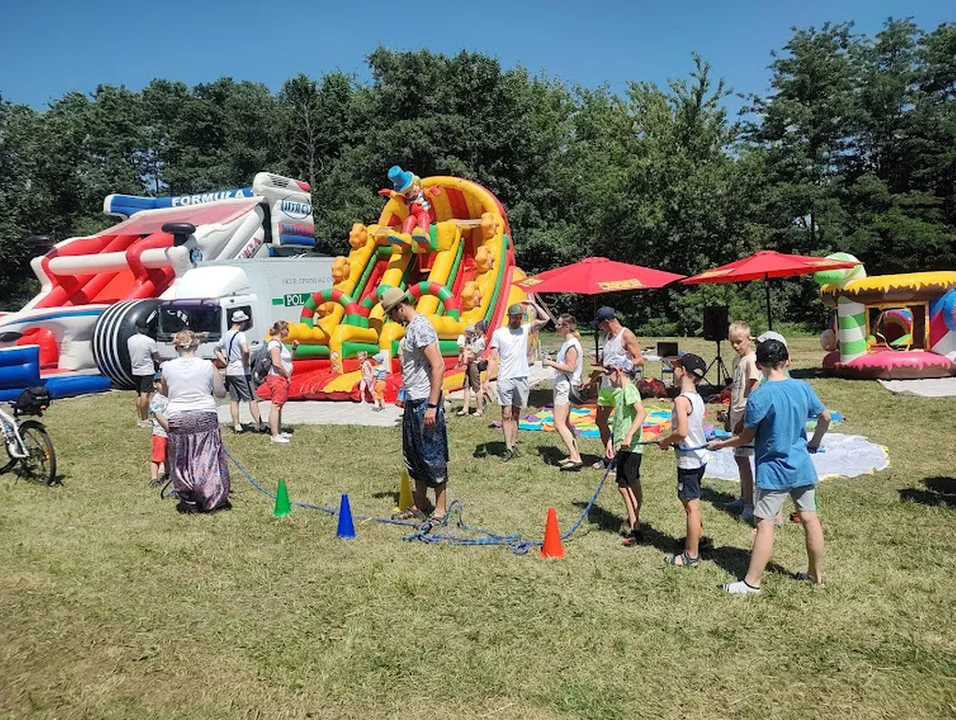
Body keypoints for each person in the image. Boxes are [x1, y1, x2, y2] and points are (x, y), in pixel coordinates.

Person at [709, 339, 831, 594]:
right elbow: (825, 417)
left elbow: (746, 438)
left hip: (773, 470)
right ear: (787, 362)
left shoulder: (759, 396)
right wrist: (815, 441)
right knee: (810, 519)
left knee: (764, 524)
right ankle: (815, 576)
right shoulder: (803, 387)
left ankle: (752, 583)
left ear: (759, 364)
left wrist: (722, 444)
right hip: (801, 465)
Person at [382, 287, 449, 523]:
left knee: (433, 454)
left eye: (391, 314)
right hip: (413, 399)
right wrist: (404, 392)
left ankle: (440, 510)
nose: (391, 319)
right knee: (415, 455)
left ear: (401, 307)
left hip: (425, 401)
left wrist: (432, 405)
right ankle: (420, 504)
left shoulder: (421, 326)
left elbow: (438, 366)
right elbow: (411, 367)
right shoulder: (410, 328)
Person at [159, 330, 229, 514]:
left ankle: (188, 498)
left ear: (176, 347)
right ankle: (211, 497)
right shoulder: (207, 365)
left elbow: (164, 393)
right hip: (204, 414)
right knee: (207, 457)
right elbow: (221, 392)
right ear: (197, 345)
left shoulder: (167, 367)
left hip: (178, 416)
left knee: (181, 458)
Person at [657, 353, 709, 567]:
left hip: (688, 460)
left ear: (684, 372)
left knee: (691, 506)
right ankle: (696, 538)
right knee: (690, 502)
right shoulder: (697, 398)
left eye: (677, 368)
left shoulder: (681, 400)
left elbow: (682, 432)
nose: (674, 371)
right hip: (699, 459)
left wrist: (666, 441)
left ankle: (691, 554)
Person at [488, 299, 552, 462]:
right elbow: (493, 357)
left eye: (519, 317)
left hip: (522, 376)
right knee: (506, 413)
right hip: (505, 377)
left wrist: (532, 303)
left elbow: (546, 319)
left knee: (516, 413)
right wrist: (487, 379)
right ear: (508, 316)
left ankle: (513, 443)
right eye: (514, 317)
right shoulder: (499, 333)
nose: (517, 320)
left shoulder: (525, 329)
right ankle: (508, 447)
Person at [592, 307, 645, 468]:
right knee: (600, 421)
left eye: (601, 325)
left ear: (608, 322)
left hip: (620, 386)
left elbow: (640, 359)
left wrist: (625, 364)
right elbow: (603, 362)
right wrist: (591, 378)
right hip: (607, 385)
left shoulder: (626, 335)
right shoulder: (607, 337)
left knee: (619, 424)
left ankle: (619, 458)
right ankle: (609, 455)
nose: (600, 328)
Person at [721, 321, 762, 521]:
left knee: (745, 458)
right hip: (736, 411)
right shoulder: (737, 360)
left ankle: (750, 503)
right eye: (732, 342)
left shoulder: (751, 360)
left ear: (748, 339)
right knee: (739, 457)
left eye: (739, 342)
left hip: (746, 413)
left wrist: (744, 418)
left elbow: (754, 388)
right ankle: (743, 495)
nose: (736, 346)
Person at [605, 360, 648, 545]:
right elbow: (619, 421)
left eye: (609, 373)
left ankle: (635, 529)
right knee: (632, 483)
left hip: (630, 448)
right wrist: (610, 440)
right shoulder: (621, 393)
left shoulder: (630, 390)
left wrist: (629, 435)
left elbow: (641, 412)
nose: (609, 378)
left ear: (618, 371)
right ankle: (634, 518)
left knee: (624, 487)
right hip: (624, 446)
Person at [543, 314, 584, 470]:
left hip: (565, 387)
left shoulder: (572, 344)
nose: (556, 327)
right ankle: (573, 454)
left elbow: (570, 367)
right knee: (565, 422)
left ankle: (575, 457)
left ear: (567, 327)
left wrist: (550, 363)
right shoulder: (568, 343)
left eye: (559, 325)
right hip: (563, 385)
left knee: (558, 423)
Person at [214, 310, 263, 434]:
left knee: (234, 399)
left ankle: (236, 425)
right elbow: (245, 350)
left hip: (230, 370)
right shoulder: (240, 335)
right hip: (241, 370)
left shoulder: (226, 335)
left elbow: (216, 349)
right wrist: (245, 362)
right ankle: (260, 425)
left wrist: (225, 362)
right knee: (251, 398)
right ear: (242, 322)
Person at [263, 321, 298, 444]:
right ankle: (274, 434)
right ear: (281, 330)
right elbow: (276, 363)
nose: (288, 332)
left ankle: (278, 430)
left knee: (279, 406)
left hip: (281, 377)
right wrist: (286, 374)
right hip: (277, 378)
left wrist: (294, 349)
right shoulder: (274, 344)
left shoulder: (280, 344)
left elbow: (288, 360)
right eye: (287, 329)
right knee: (276, 406)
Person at [128, 320, 163, 428]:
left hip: (135, 369)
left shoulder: (130, 340)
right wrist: (161, 362)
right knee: (145, 395)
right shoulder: (149, 341)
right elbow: (156, 356)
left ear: (136, 328)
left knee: (139, 394)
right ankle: (145, 419)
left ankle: (140, 417)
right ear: (146, 328)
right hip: (146, 370)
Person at [458, 325, 487, 416]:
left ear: (481, 330)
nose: (475, 331)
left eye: (476, 329)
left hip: (474, 364)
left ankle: (479, 409)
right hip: (469, 364)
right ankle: (465, 409)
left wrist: (466, 353)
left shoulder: (480, 341)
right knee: (466, 386)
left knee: (476, 387)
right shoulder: (474, 340)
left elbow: (473, 355)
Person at [148, 374, 169, 488]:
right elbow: (159, 415)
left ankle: (168, 473)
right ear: (155, 384)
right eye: (161, 383)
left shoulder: (171, 396)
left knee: (170, 455)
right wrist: (168, 427)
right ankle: (154, 478)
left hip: (171, 432)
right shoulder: (157, 399)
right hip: (161, 432)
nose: (165, 386)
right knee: (158, 456)